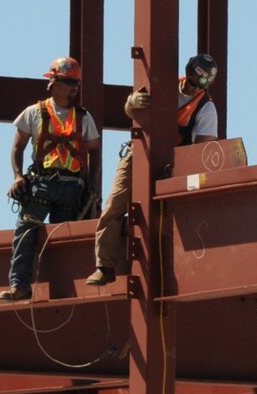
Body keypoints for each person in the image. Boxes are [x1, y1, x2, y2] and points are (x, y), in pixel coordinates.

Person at [84, 52, 220, 287]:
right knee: (114, 206)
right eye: (192, 84)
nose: (194, 90)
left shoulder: (206, 109)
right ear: (187, 76)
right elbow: (130, 109)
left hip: (175, 163)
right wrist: (132, 103)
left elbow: (202, 149)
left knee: (166, 216)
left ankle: (169, 271)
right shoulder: (163, 86)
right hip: (140, 154)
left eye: (200, 86)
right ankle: (104, 266)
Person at [0, 57, 102, 302]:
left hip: (71, 187)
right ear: (53, 82)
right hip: (42, 184)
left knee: (63, 239)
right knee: (26, 230)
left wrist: (93, 186)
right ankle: (20, 285)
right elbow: (17, 147)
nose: (74, 88)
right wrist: (17, 176)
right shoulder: (34, 113)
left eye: (76, 83)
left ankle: (65, 291)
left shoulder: (83, 117)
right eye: (68, 82)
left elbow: (94, 150)